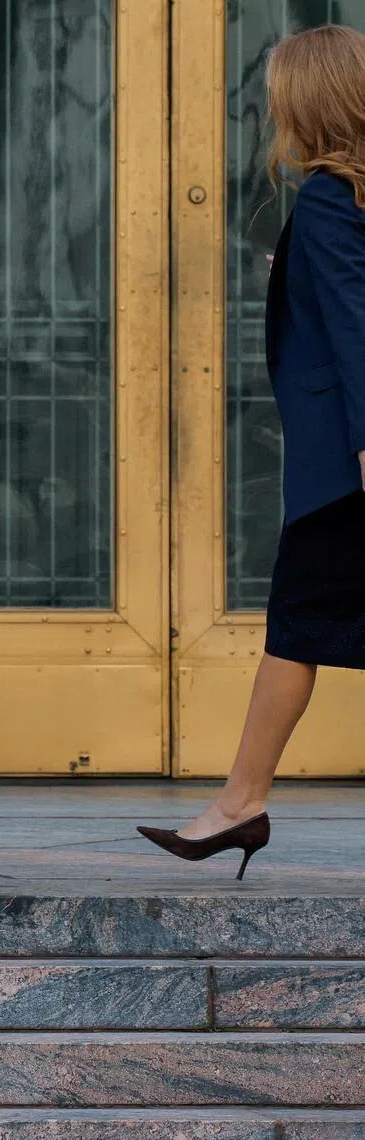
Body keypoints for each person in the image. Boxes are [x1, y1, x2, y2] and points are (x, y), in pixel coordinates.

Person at [139, 25, 365, 878]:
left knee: (299, 624)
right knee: (300, 624)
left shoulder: (330, 199)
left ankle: (240, 802)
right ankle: (239, 800)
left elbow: (354, 326)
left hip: (347, 466)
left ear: (307, 102)